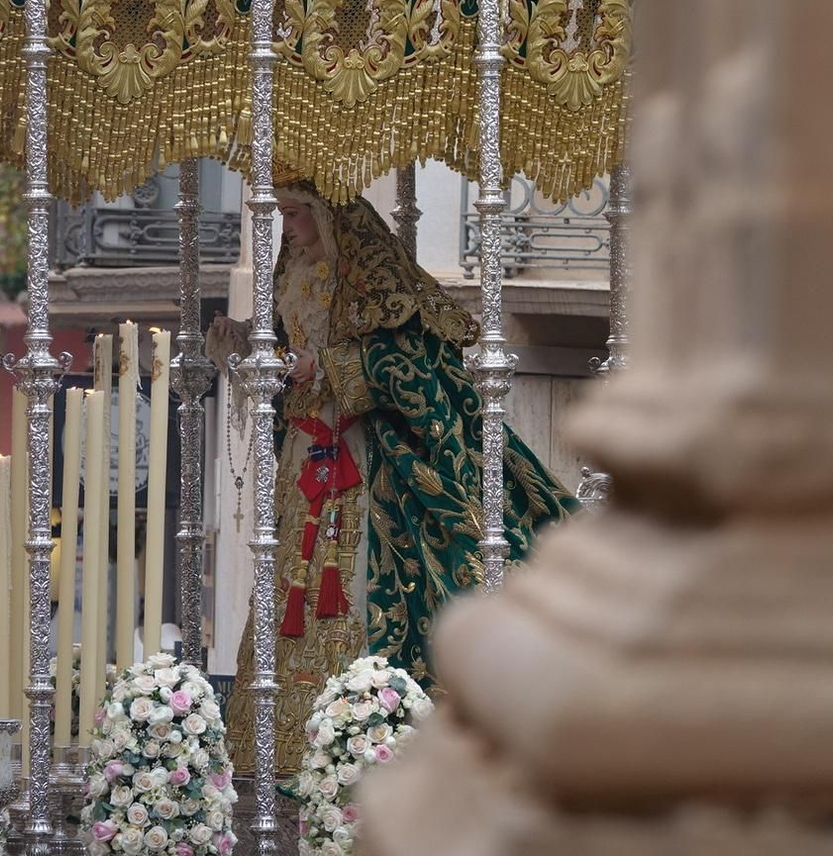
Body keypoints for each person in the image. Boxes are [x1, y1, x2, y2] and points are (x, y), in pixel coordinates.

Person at [208, 166, 576, 777]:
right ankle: (281, 737)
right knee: (289, 576)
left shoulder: (372, 280)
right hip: (307, 451)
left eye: (295, 214)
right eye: (282, 216)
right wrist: (245, 340)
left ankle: (365, 721)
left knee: (355, 574)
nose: (288, 229)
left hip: (362, 453)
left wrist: (323, 365)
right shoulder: (291, 271)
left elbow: (406, 355)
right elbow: (280, 339)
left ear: (327, 214)